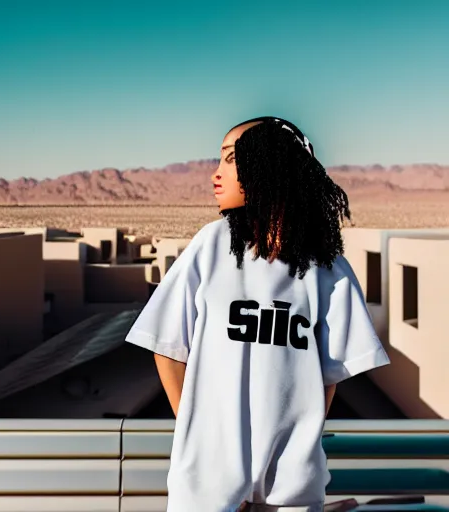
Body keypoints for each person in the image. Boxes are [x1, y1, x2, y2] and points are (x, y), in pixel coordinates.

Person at [125, 116, 390, 512]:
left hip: (292, 492)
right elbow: (166, 348)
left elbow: (326, 378)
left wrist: (295, 448)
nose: (216, 174)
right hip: (207, 492)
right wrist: (198, 438)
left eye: (230, 160)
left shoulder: (328, 268)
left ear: (269, 164)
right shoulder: (210, 246)